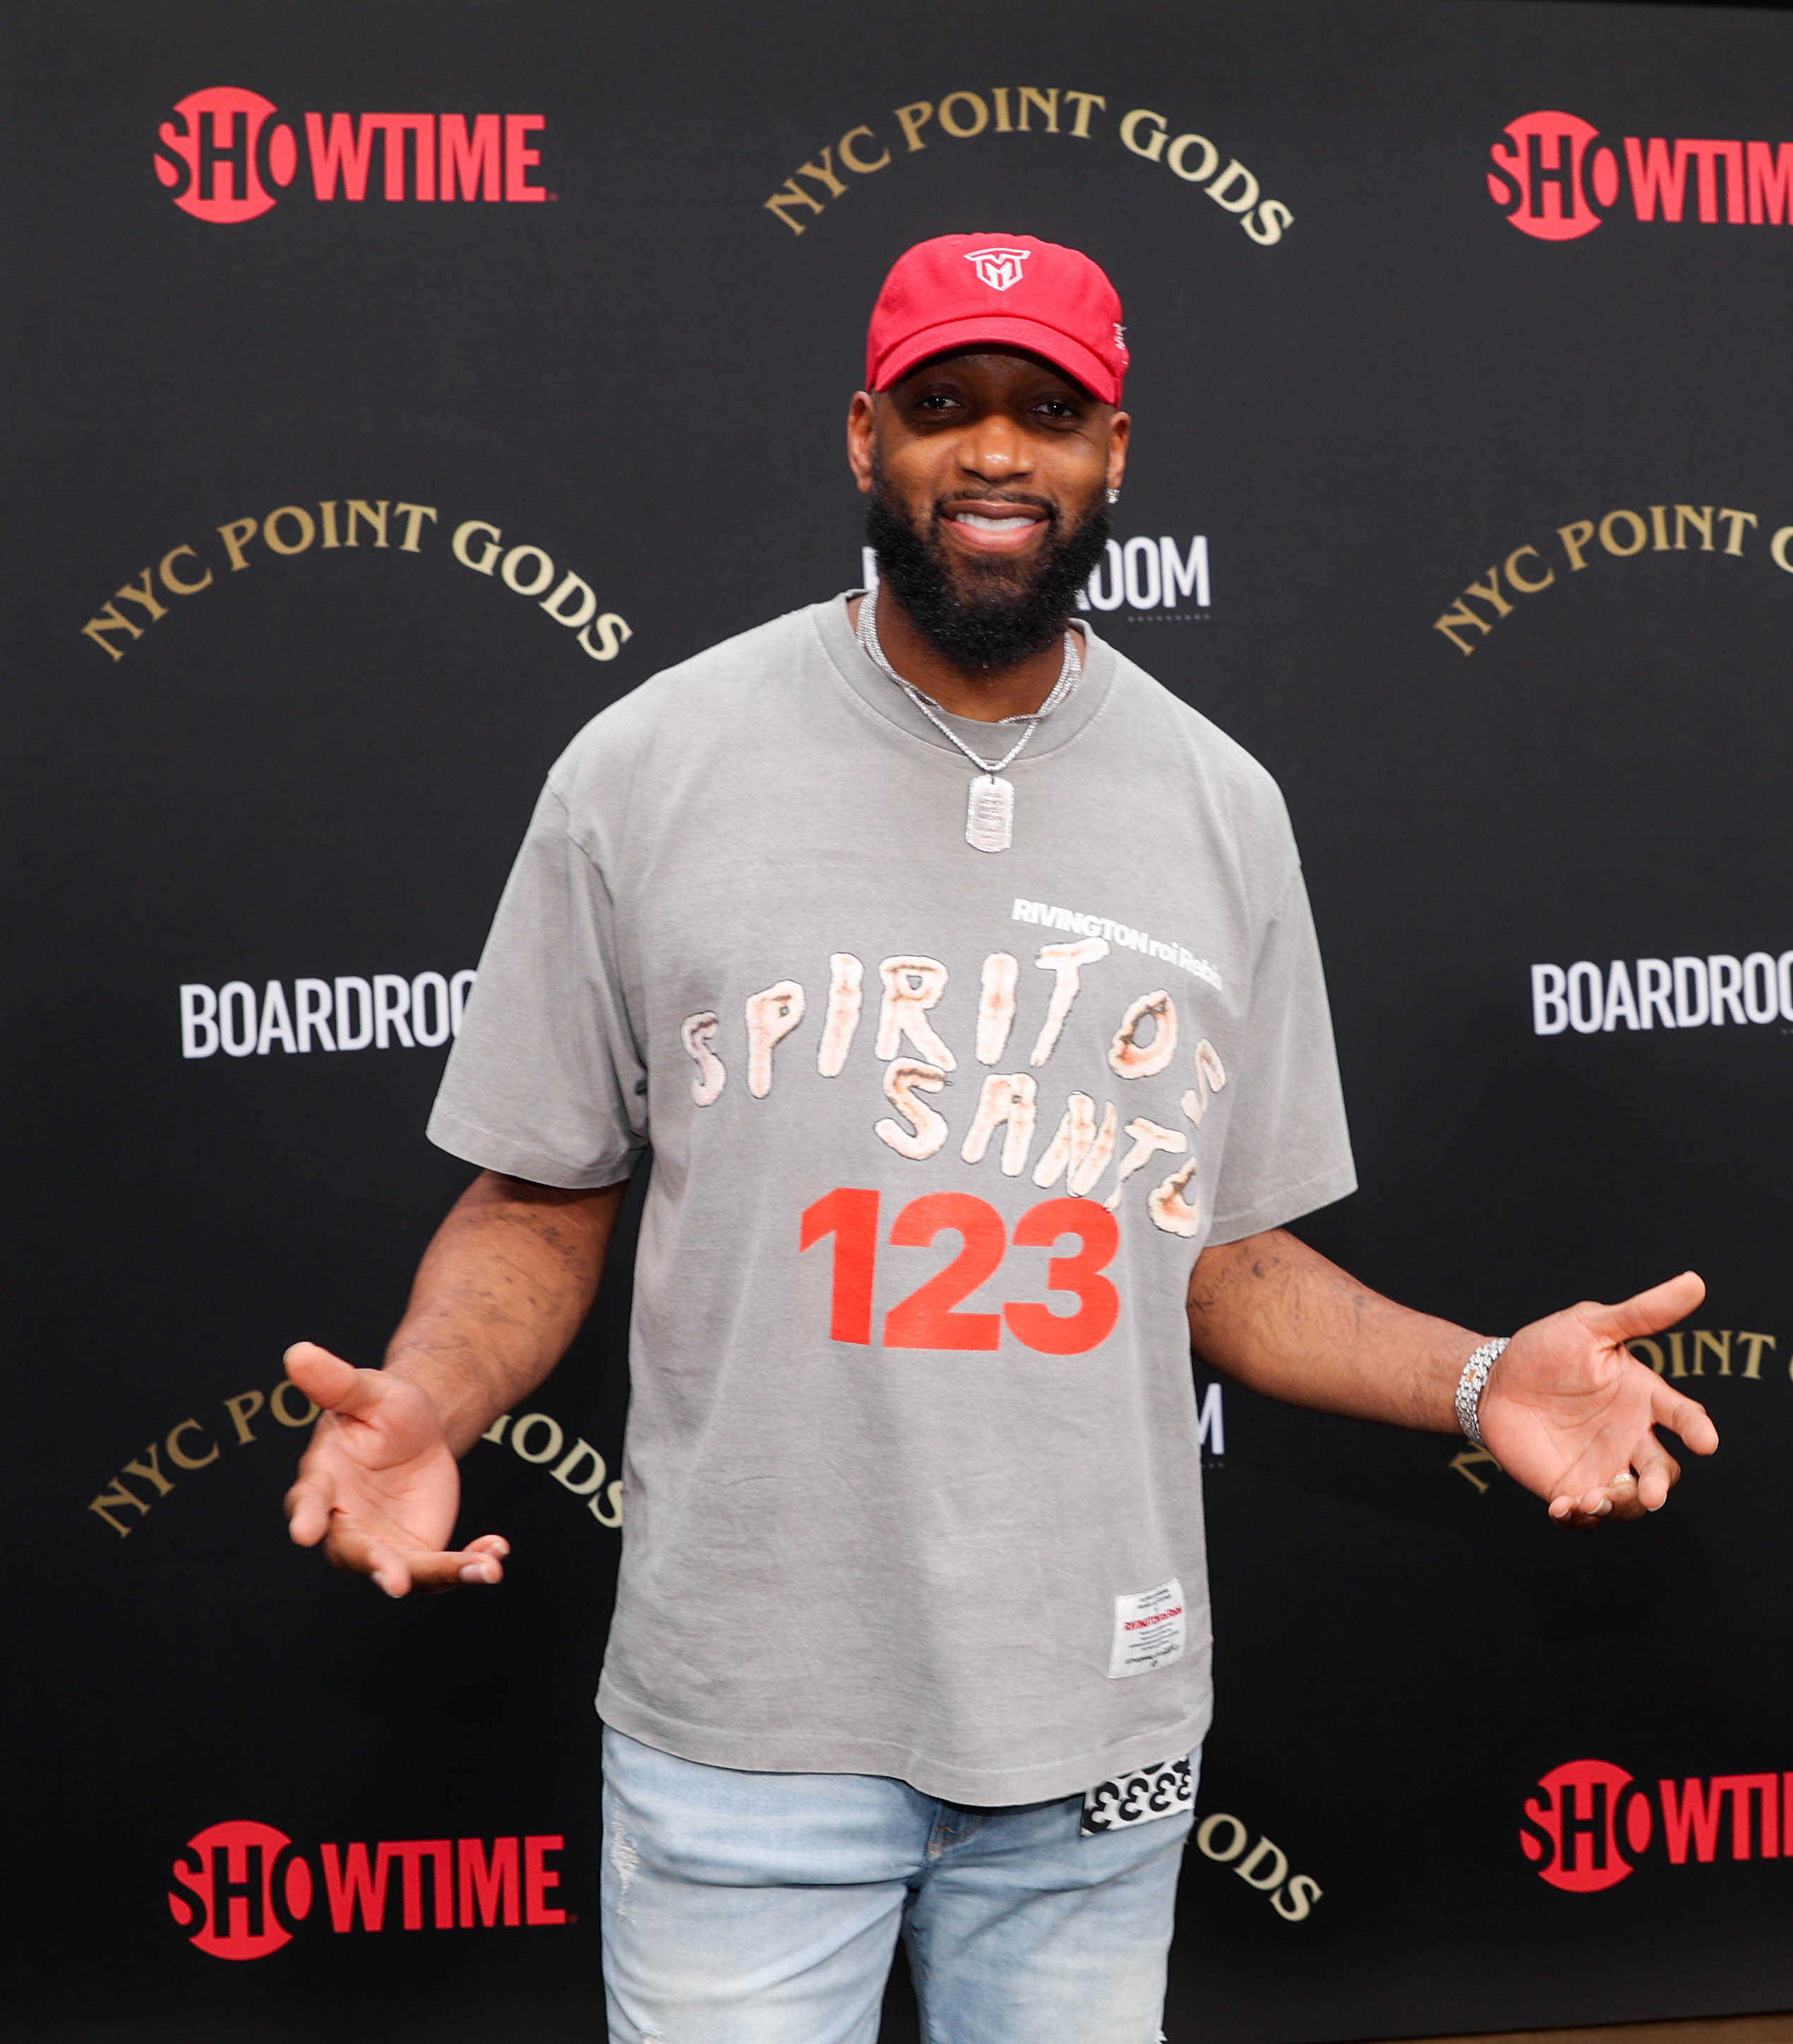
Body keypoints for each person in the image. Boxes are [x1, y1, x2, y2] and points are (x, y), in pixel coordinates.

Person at [279, 232, 1716, 2044]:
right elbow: (539, 1190)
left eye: (1048, 411)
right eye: (945, 407)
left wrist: (1481, 1371)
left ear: (1117, 454)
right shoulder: (649, 765)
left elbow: (1223, 1255)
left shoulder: (1222, 804)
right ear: (863, 438)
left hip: (1093, 1734)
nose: (994, 453)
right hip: (748, 1726)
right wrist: (437, 1392)